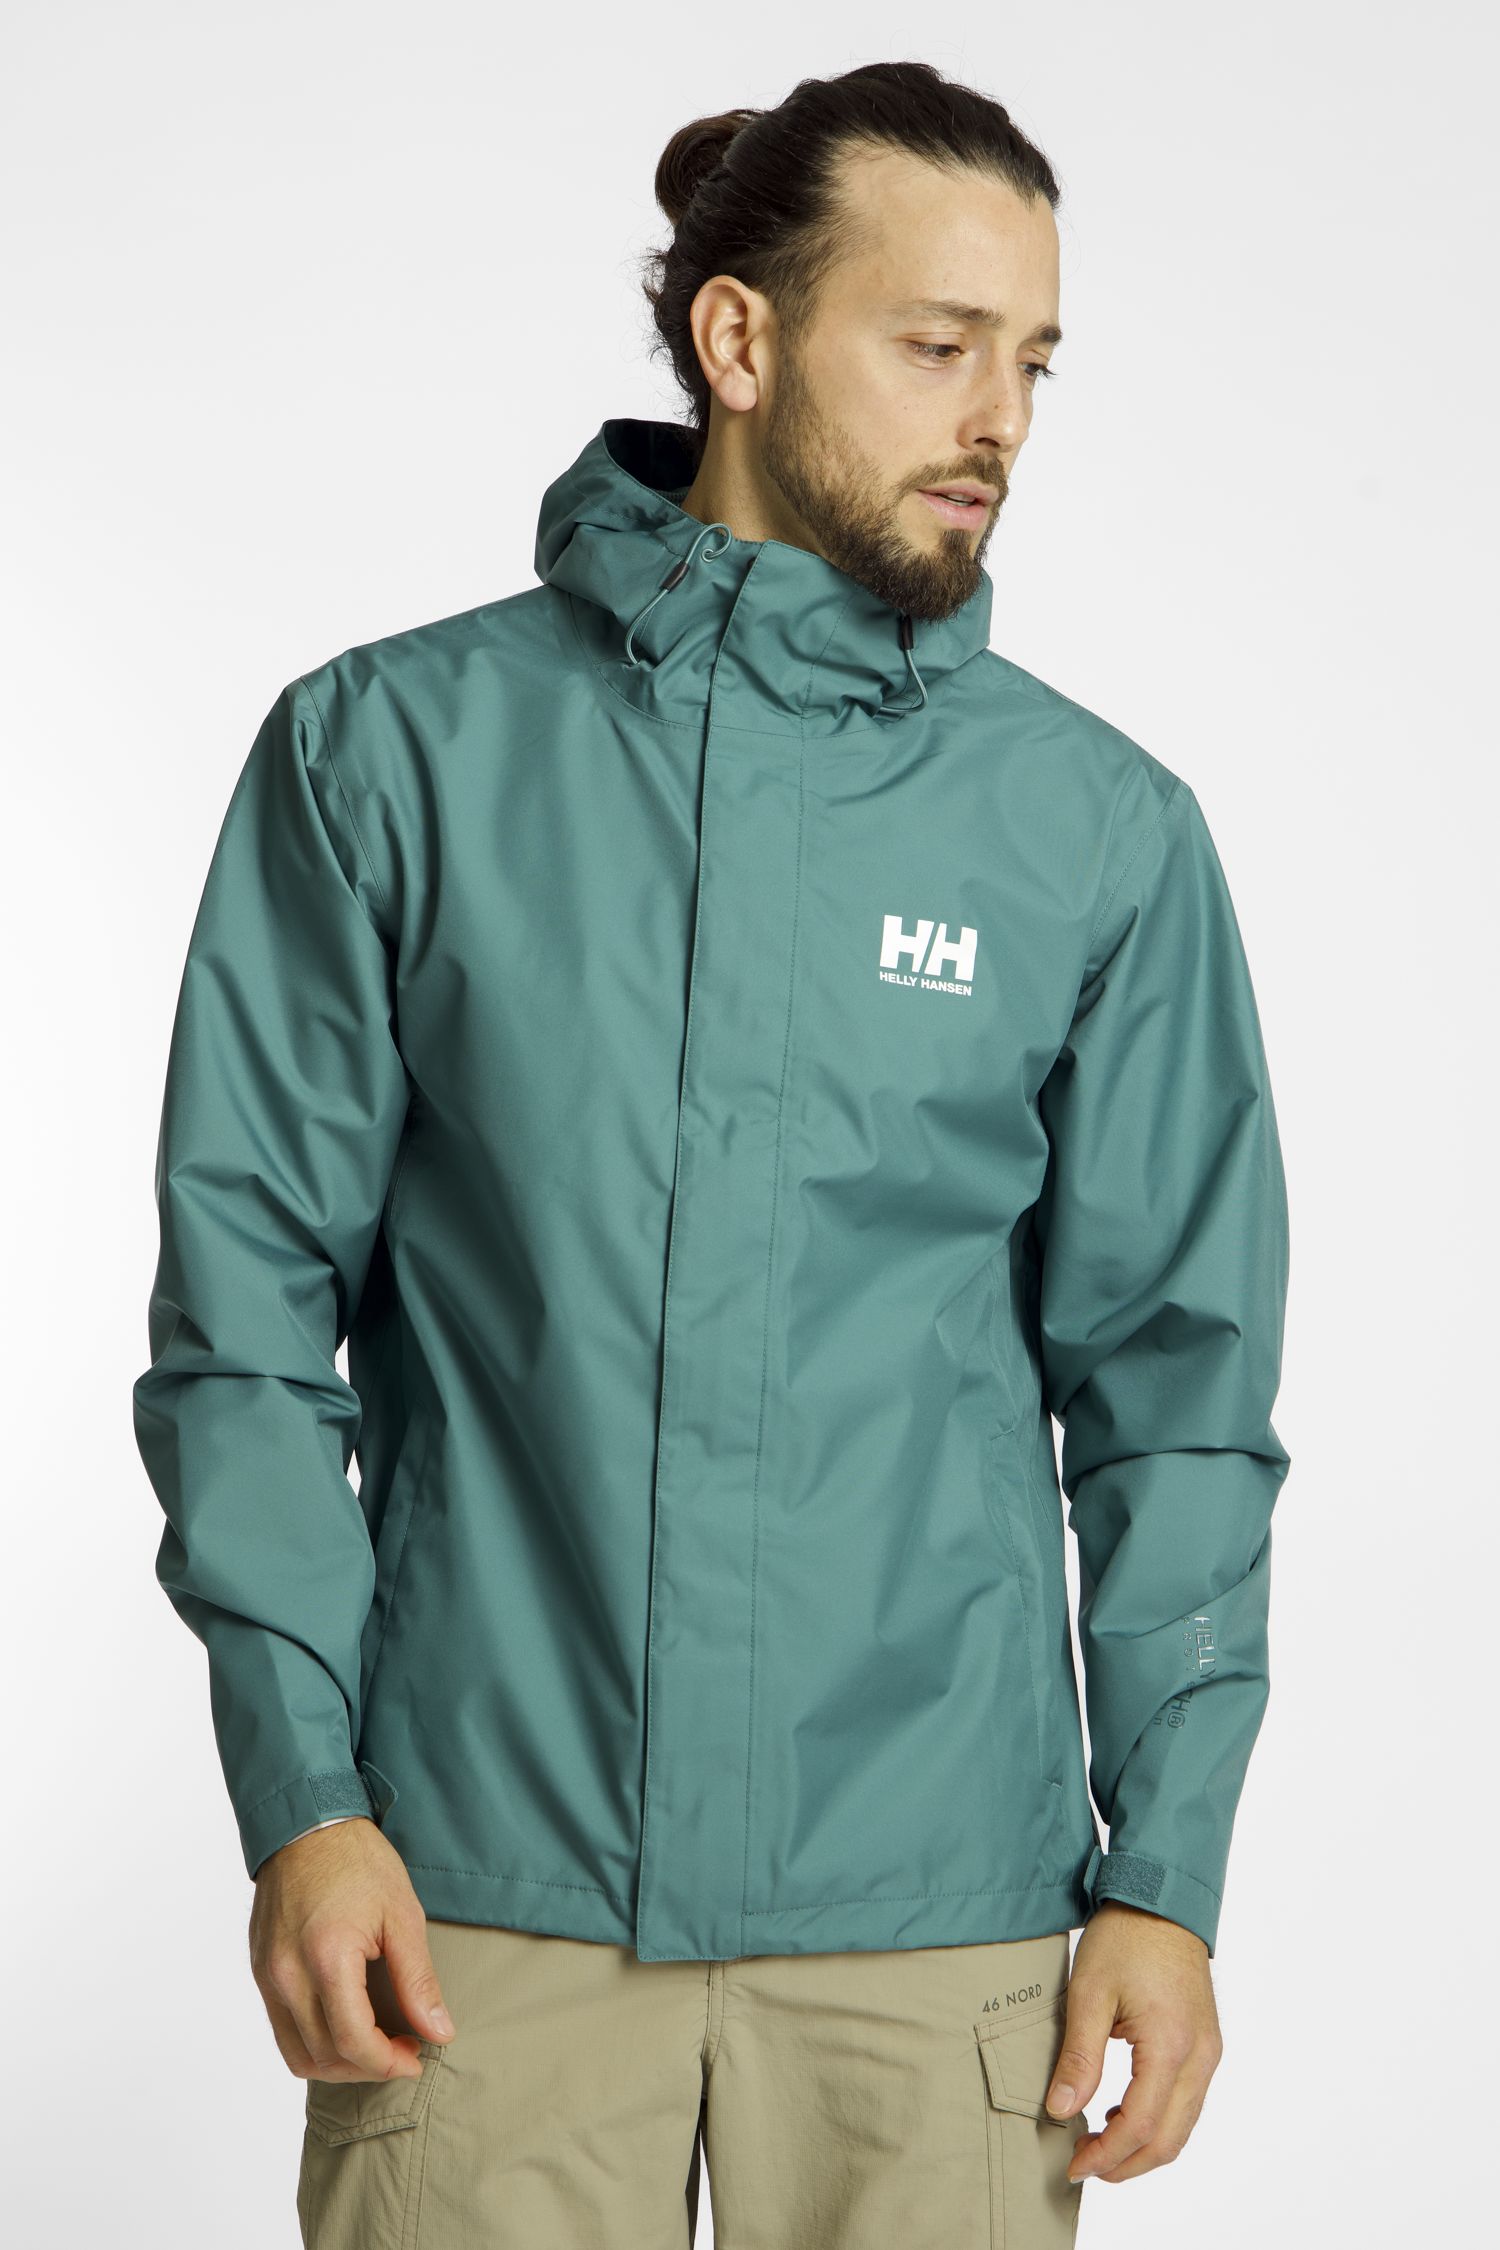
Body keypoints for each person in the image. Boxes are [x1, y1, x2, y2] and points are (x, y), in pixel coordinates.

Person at [132, 57, 1291, 2248]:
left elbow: (1177, 1401)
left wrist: (1167, 1875)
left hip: (936, 1933)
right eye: (939, 344)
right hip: (474, 1906)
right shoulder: (389, 757)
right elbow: (247, 1332)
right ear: (739, 339)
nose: (1000, 420)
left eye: (1034, 362)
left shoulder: (1098, 834)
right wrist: (302, 1798)